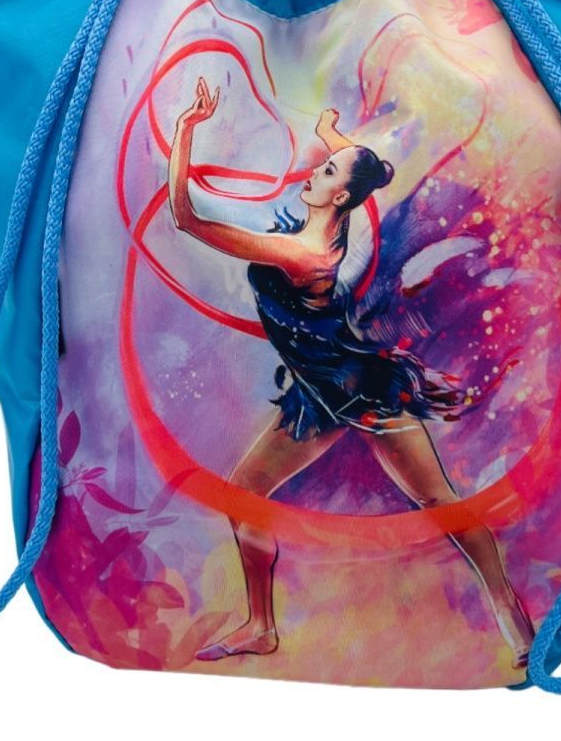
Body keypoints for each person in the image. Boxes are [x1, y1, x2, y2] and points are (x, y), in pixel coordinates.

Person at [167, 77, 535, 669]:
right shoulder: (335, 220)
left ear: (339, 196)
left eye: (327, 170)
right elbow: (368, 174)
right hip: (316, 395)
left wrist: (186, 129)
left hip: (360, 390)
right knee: (245, 495)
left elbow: (185, 218)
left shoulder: (302, 253)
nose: (315, 171)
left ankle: (513, 617)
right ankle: (260, 626)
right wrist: (333, 136)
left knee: (437, 500)